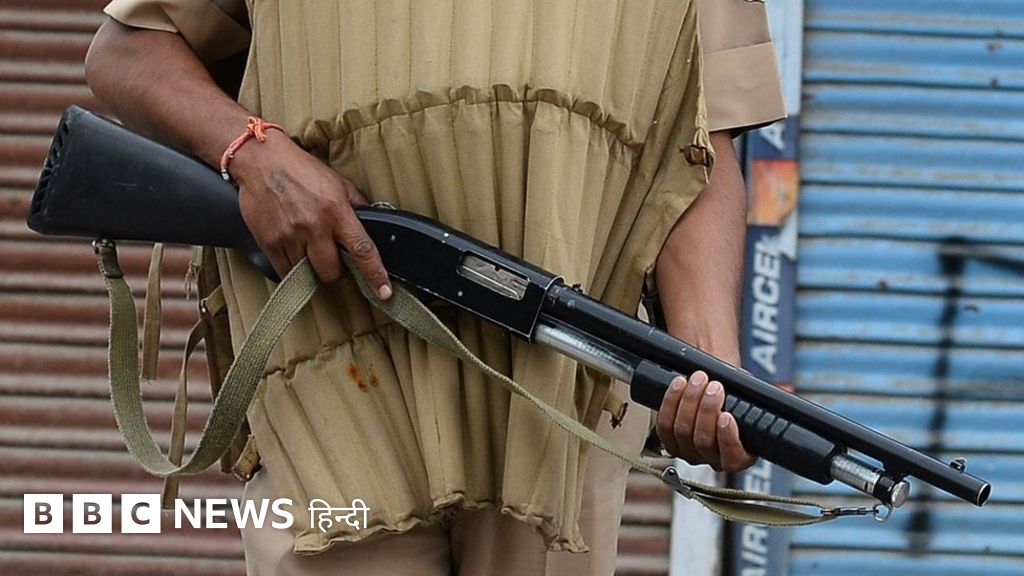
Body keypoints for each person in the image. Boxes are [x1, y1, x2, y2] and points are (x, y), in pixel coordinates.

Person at [85, 1, 784, 574]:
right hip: (332, 360)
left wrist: (710, 372)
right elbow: (127, 50)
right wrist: (254, 152)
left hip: (559, 392)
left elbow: (701, 138)